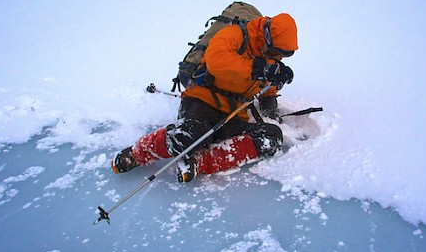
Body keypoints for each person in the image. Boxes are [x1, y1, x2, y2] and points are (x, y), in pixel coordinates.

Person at [111, 12, 298, 183]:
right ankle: (137, 154)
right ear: (267, 37)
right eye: (277, 52)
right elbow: (217, 61)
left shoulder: (270, 56)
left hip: (232, 114)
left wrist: (271, 102)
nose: (278, 57)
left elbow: (268, 88)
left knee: (271, 138)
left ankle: (197, 163)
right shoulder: (235, 35)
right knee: (191, 136)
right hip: (201, 101)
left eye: (283, 55)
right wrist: (259, 68)